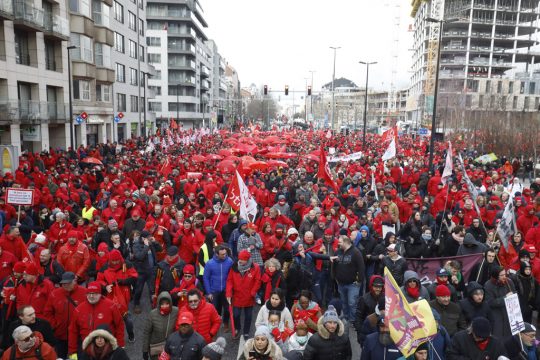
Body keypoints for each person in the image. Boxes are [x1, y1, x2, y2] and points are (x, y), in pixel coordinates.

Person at [68, 281, 125, 357]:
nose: (91, 296)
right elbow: (73, 331)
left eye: (94, 293)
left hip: (107, 348)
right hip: (87, 349)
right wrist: (72, 351)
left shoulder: (111, 306)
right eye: (89, 293)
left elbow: (119, 325)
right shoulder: (79, 309)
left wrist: (120, 344)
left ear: (100, 294)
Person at [43, 272, 88, 358]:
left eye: (68, 283)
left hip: (79, 336)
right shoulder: (55, 294)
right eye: (63, 284)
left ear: (74, 281)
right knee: (60, 357)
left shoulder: (85, 293)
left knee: (77, 357)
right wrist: (55, 325)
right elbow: (47, 312)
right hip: (60, 335)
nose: (65, 285)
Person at [226, 249, 261, 339]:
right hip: (237, 296)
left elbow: (257, 281)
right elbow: (229, 280)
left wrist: (253, 292)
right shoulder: (234, 267)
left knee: (248, 316)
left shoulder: (255, 268)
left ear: (247, 259)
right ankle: (237, 328)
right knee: (236, 315)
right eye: (239, 259)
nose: (240, 261)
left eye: (242, 259)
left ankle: (246, 332)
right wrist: (228, 293)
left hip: (249, 297)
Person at [333, 235, 365, 321]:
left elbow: (361, 267)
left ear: (346, 242)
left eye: (340, 242)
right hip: (341, 283)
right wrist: (335, 277)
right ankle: (346, 318)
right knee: (344, 302)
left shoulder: (356, 252)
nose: (338, 243)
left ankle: (353, 320)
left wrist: (359, 281)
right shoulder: (337, 252)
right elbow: (334, 265)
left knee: (352, 303)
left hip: (353, 284)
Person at [203, 245, 233, 333]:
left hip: (225, 290)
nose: (225, 256)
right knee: (215, 309)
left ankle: (226, 323)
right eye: (222, 254)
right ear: (216, 254)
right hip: (214, 291)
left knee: (227, 309)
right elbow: (206, 278)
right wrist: (208, 292)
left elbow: (232, 276)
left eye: (225, 254)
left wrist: (230, 290)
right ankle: (216, 323)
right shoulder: (209, 263)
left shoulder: (229, 261)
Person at [142, 292, 178, 360]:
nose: (164, 306)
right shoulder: (152, 314)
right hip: (156, 349)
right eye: (162, 304)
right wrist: (145, 350)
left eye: (167, 304)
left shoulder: (175, 311)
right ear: (158, 304)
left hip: (171, 348)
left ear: (170, 303)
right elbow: (147, 333)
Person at [483, 266, 515, 338]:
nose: (504, 277)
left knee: (510, 337)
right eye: (502, 275)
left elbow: (515, 293)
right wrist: (506, 298)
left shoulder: (509, 282)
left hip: (509, 313)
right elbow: (490, 302)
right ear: (496, 276)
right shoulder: (488, 285)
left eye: (505, 274)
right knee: (498, 337)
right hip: (496, 316)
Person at [355, 275, 384, 344]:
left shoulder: (385, 298)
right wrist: (360, 333)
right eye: (376, 287)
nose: (378, 289)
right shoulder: (364, 299)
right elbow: (359, 317)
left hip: (382, 331)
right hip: (368, 331)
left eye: (380, 287)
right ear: (371, 286)